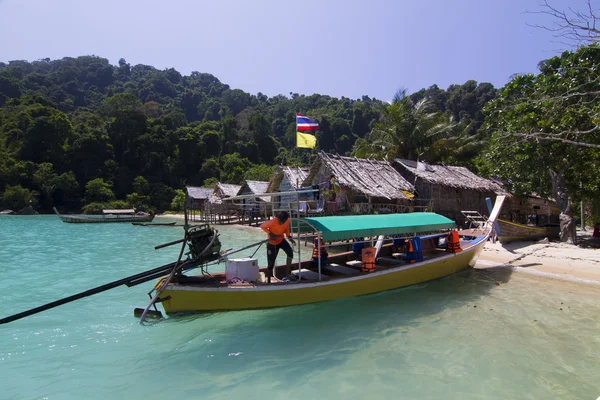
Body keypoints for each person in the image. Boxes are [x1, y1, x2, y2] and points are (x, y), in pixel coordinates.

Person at [260, 211, 296, 282]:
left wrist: (289, 237)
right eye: (280, 221)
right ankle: (269, 281)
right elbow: (262, 226)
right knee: (271, 263)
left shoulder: (287, 220)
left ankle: (287, 274)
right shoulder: (272, 222)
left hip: (281, 240)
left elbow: (286, 229)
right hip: (272, 243)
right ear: (277, 218)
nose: (282, 223)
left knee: (290, 253)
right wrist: (270, 234)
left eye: (283, 221)